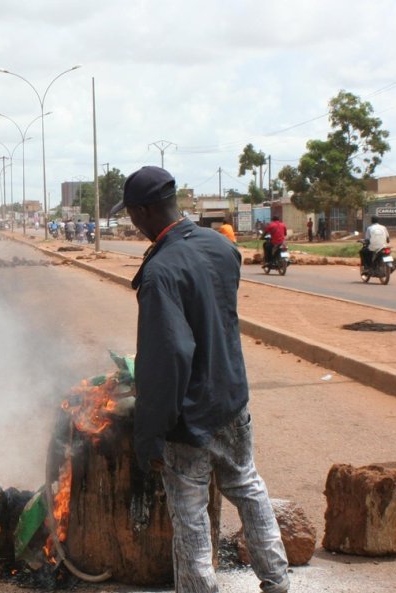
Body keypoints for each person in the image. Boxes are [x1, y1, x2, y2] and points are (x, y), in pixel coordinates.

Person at [112, 166, 289, 593]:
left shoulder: (159, 273)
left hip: (190, 415)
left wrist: (150, 434)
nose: (133, 223)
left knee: (189, 513)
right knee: (247, 484)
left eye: (132, 214)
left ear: (144, 211)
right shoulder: (221, 247)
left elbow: (168, 358)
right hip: (231, 397)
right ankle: (277, 578)